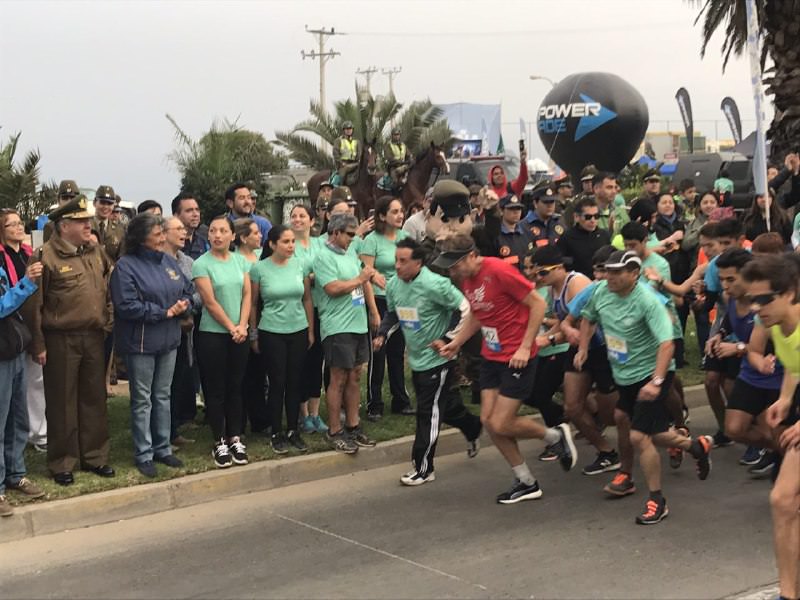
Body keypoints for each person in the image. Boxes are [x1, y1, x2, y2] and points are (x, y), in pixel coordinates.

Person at [434, 234, 577, 505]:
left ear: (472, 256)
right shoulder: (466, 279)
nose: (452, 272)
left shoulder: (498, 271)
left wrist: (525, 347)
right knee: (490, 422)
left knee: (502, 421)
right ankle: (526, 481)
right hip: (493, 355)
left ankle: (554, 435)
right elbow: (478, 312)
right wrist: (457, 342)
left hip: (517, 357)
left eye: (455, 265)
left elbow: (538, 303)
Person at [576, 250, 713, 524]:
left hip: (651, 375)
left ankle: (657, 500)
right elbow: (588, 317)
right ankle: (695, 447)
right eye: (608, 271)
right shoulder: (601, 291)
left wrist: (657, 382)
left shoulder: (648, 301)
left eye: (617, 272)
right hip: (623, 374)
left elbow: (667, 343)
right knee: (654, 432)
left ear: (634, 274)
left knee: (639, 437)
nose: (610, 277)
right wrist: (582, 348)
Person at [374, 238, 482, 484]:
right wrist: (382, 334)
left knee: (427, 413)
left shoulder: (436, 284)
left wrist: (447, 338)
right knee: (444, 408)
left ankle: (423, 468)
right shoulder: (393, 286)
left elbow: (465, 309)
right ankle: (473, 427)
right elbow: (393, 313)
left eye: (403, 261)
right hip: (417, 358)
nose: (397, 266)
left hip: (439, 359)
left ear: (418, 263)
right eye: (395, 260)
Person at [27, 196, 115, 485]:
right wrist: (38, 344)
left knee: (94, 399)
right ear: (65, 226)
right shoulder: (44, 257)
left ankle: (95, 456)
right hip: (60, 338)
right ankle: (62, 461)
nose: (88, 225)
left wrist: (108, 320)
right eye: (82, 222)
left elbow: (107, 286)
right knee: (62, 401)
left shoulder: (94, 251)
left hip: (93, 335)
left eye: (88, 221)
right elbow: (35, 304)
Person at [110, 214, 194, 478]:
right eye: (157, 232)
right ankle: (144, 453)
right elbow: (126, 306)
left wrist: (185, 305)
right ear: (141, 237)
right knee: (142, 399)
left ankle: (162, 447)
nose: (161, 236)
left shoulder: (168, 262)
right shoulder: (126, 266)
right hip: (141, 343)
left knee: (163, 395)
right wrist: (164, 312)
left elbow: (188, 290)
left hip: (169, 340)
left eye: (161, 232)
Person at [533, 244, 621, 476]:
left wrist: (551, 339)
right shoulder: (553, 290)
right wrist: (542, 340)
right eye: (535, 273)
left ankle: (644, 438)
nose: (538, 277)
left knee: (612, 414)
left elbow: (585, 323)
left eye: (543, 272)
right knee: (571, 408)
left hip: (601, 348)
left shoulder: (577, 283)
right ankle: (606, 452)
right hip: (577, 349)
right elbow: (565, 325)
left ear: (560, 268)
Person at [742, 254, 800, 600]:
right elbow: (794, 366)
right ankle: (788, 593)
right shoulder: (777, 325)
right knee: (782, 499)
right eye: (752, 300)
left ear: (792, 291)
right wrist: (784, 398)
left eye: (765, 299)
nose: (756, 308)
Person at [712, 248, 781, 473]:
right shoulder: (729, 298)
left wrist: (738, 348)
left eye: (731, 279)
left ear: (748, 275)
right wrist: (719, 334)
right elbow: (729, 321)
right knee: (734, 428)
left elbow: (774, 345)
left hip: (777, 377)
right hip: (750, 373)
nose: (725, 285)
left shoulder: (765, 302)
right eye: (721, 279)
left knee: (777, 430)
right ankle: (777, 451)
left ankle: (781, 456)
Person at [192, 215, 252, 469]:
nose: (217, 235)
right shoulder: (201, 264)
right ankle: (219, 441)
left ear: (232, 236)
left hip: (239, 332)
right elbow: (209, 301)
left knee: (235, 387)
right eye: (213, 231)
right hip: (213, 334)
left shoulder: (240, 261)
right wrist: (231, 327)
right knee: (215, 390)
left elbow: (247, 294)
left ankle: (235, 437)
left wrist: (243, 325)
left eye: (223, 231)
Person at [316, 212, 379, 453]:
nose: (353, 239)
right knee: (338, 378)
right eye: (349, 235)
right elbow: (332, 288)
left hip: (357, 323)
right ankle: (335, 430)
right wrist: (360, 278)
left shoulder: (351, 253)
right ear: (335, 232)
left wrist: (373, 312)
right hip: (337, 326)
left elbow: (365, 282)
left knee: (355, 375)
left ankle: (353, 425)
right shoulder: (323, 257)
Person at [250, 225, 314, 454]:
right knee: (277, 382)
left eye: (292, 242)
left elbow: (307, 299)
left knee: (295, 381)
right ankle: (276, 430)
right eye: (285, 242)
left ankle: (293, 429)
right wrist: (253, 333)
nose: (290, 246)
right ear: (272, 244)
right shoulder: (259, 269)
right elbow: (254, 304)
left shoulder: (300, 265)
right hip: (271, 330)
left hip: (298, 328)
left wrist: (310, 330)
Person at [0, 252, 45, 517]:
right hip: (2, 355)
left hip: (14, 350)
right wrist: (26, 284)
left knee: (18, 419)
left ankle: (16, 474)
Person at [360, 196, 412, 419]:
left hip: (401, 301)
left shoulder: (406, 238)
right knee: (378, 353)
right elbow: (365, 274)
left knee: (397, 353)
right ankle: (375, 403)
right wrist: (373, 310)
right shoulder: (371, 240)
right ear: (382, 216)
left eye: (402, 211)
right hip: (379, 300)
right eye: (395, 212)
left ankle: (400, 400)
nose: (400, 215)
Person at [0, 209, 46, 453]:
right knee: (11, 397)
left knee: (33, 380)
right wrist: (26, 281)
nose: (20, 228)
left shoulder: (30, 253)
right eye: (13, 225)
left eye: (21, 223)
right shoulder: (2, 257)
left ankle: (35, 434)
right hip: (9, 332)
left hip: (29, 324)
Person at [162, 217, 201, 446]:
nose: (183, 232)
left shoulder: (188, 262)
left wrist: (186, 306)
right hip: (165, 326)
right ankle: (162, 433)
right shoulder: (157, 261)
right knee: (163, 386)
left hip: (186, 328)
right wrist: (176, 308)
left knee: (179, 380)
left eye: (184, 229)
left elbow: (198, 292)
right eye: (178, 229)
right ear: (164, 233)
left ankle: (174, 430)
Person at [289, 205, 328, 434]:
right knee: (300, 365)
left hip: (321, 309)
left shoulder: (320, 244)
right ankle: (302, 414)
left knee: (317, 363)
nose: (297, 220)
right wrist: (311, 277)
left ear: (312, 221)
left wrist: (313, 276)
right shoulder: (289, 246)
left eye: (302, 216)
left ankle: (315, 414)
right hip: (298, 312)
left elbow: (326, 270)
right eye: (293, 216)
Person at [233, 218, 269, 435]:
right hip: (242, 320)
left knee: (258, 373)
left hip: (265, 319)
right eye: (255, 233)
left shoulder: (261, 258)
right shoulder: (236, 260)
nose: (260, 236)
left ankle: (260, 418)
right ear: (243, 237)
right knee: (244, 374)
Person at [557, 197, 612, 278]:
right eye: (588, 217)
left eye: (596, 216)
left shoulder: (604, 235)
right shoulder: (567, 238)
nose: (593, 220)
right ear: (576, 217)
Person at [496, 194, 535, 273]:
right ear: (501, 211)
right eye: (511, 208)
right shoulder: (496, 235)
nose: (516, 212)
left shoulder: (528, 232)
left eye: (518, 208)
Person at [92, 185, 125, 263]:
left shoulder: (120, 230)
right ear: (94, 203)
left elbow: (122, 258)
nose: (106, 207)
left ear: (113, 206)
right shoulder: (85, 226)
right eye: (102, 202)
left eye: (109, 203)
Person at [171, 193, 209, 260]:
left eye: (197, 210)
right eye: (189, 211)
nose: (195, 214)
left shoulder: (205, 241)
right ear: (176, 215)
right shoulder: (170, 244)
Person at [332, 121, 361, 186]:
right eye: (347, 129)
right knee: (343, 172)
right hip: (344, 164)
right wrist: (341, 162)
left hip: (355, 163)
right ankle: (340, 188)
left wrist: (359, 161)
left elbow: (359, 153)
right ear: (344, 130)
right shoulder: (338, 140)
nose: (348, 130)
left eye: (350, 129)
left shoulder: (357, 141)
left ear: (352, 130)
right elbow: (335, 153)